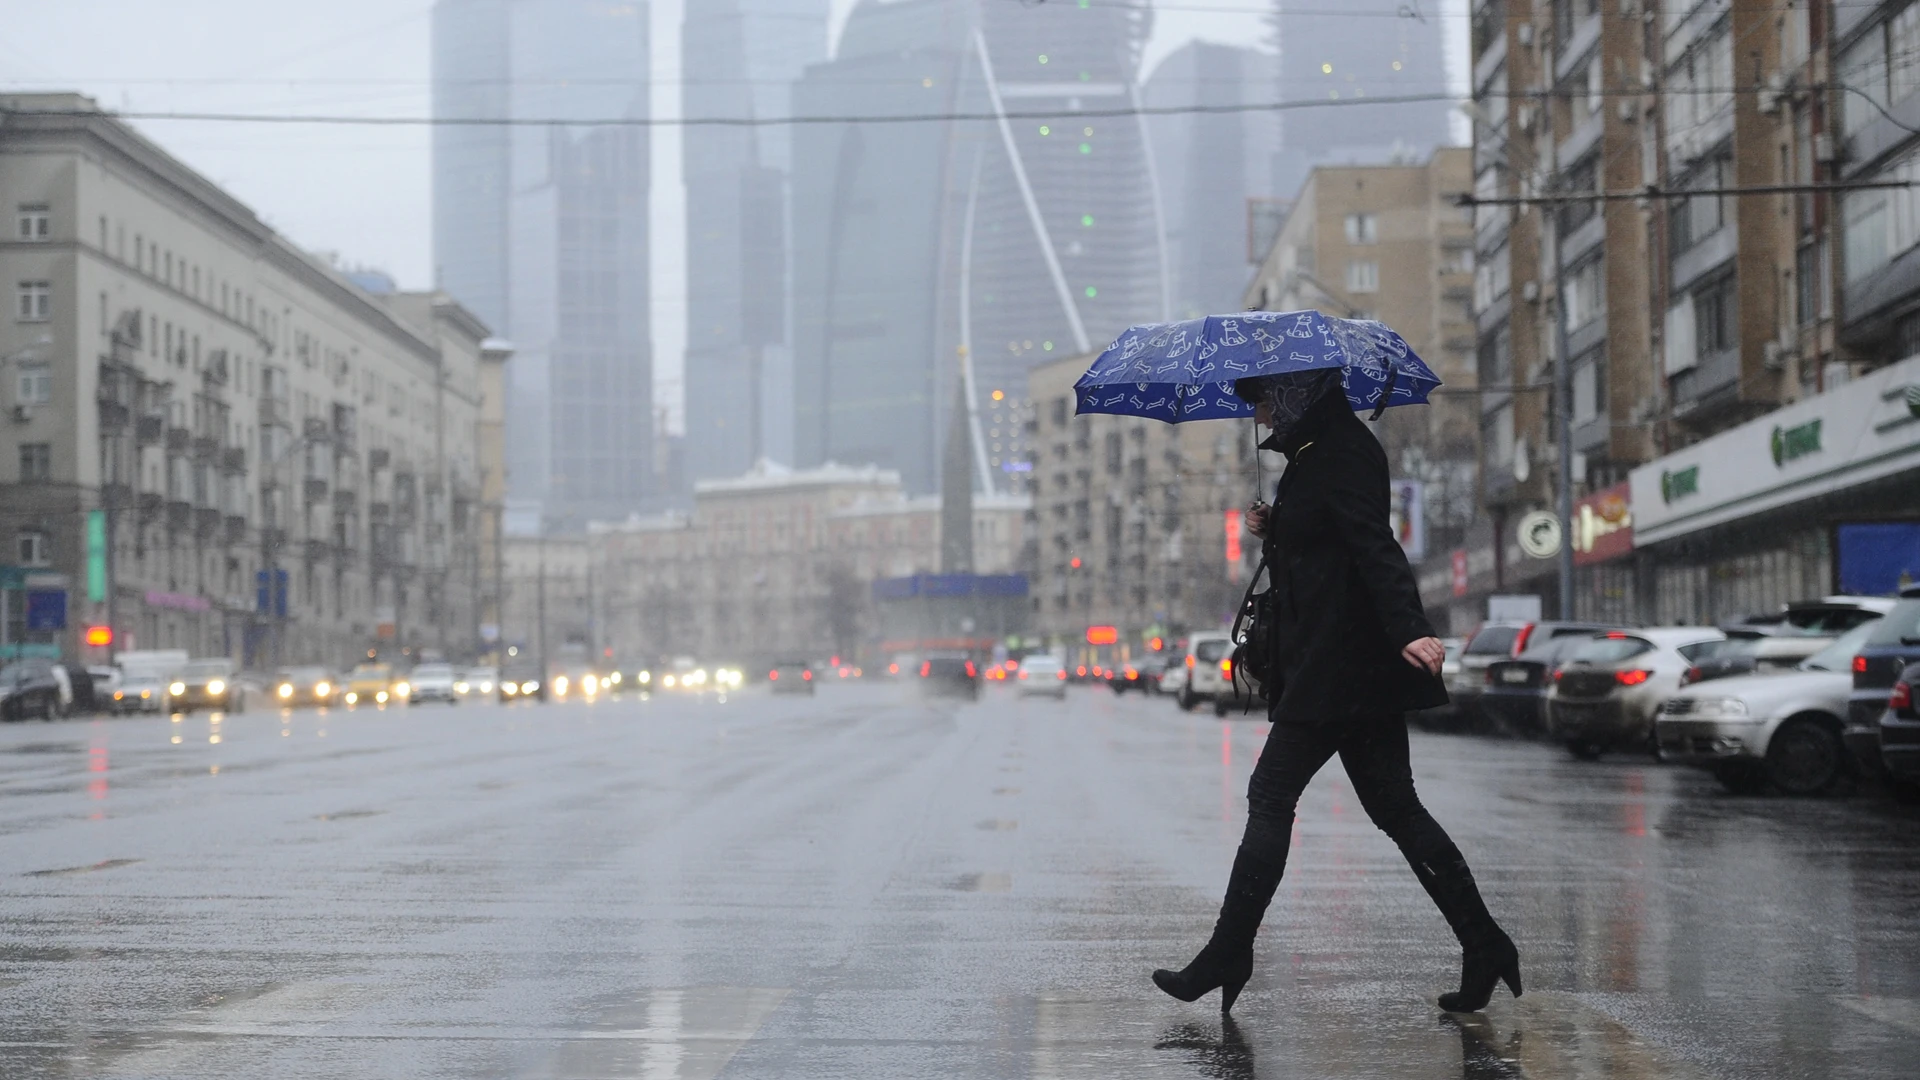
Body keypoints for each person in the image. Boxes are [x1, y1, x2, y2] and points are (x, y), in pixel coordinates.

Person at [1151, 369, 1520, 1014]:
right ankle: (1484, 943)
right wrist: (1281, 524)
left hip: (1339, 668)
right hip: (1345, 669)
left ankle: (1228, 951)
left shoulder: (1343, 449)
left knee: (1270, 795)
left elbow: (1374, 543)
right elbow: (1330, 544)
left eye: (1264, 398)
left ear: (1297, 391)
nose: (1261, 414)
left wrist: (1411, 627)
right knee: (1398, 811)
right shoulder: (1318, 451)